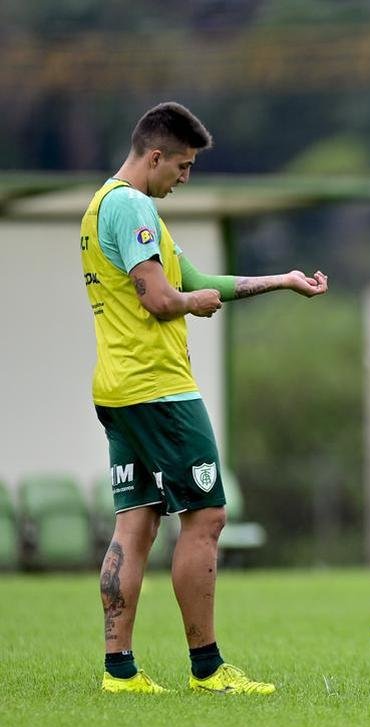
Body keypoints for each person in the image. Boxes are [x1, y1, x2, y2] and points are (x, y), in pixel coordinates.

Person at [82, 101, 328, 694]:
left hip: (117, 389)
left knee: (136, 521)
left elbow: (198, 281)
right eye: (184, 167)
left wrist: (283, 281)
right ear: (156, 155)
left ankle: (120, 671)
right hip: (158, 390)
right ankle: (208, 668)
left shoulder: (101, 207)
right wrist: (193, 307)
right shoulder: (132, 205)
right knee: (208, 516)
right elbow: (166, 299)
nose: (185, 178)